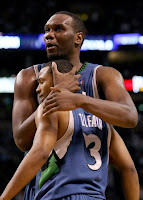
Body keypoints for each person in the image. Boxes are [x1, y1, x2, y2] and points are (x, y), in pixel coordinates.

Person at [0, 60, 139, 200]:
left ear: (56, 78)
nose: (37, 88)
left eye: (41, 82)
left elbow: (40, 153)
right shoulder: (103, 120)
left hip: (59, 195)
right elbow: (129, 169)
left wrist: (5, 197)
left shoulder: (51, 108)